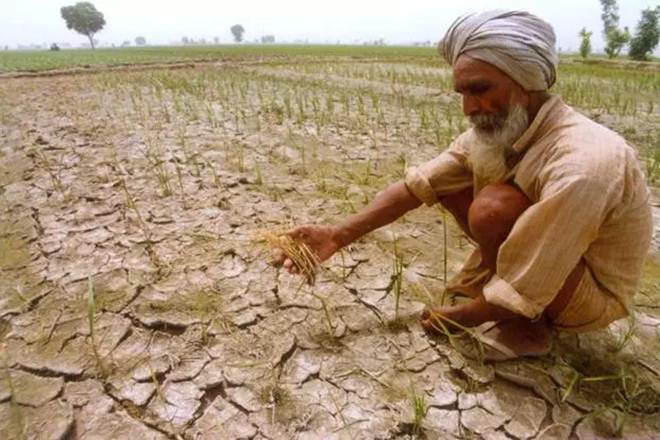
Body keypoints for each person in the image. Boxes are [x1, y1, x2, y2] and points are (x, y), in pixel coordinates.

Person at [274, 10, 653, 360]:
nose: (469, 108)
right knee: (450, 184)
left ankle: (529, 324)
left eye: (480, 89)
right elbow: (417, 186)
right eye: (464, 93)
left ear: (525, 82)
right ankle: (497, 288)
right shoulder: (501, 130)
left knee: (494, 208)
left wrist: (463, 316)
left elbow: (547, 258)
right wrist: (337, 236)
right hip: (549, 259)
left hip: (587, 295)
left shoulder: (584, 162)